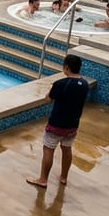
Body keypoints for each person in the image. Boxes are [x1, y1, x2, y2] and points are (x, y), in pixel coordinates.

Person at [27, 54, 89, 188]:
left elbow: (48, 99)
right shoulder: (84, 84)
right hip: (73, 124)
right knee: (67, 148)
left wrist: (50, 89)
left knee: (48, 149)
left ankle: (43, 179)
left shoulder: (60, 84)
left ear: (66, 67)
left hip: (57, 124)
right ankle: (63, 177)